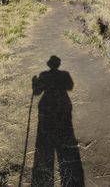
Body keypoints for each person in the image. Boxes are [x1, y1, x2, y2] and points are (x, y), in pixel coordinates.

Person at [31, 56, 85, 187]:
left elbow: (37, 92)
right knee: (64, 127)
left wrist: (34, 82)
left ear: (49, 64)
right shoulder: (65, 74)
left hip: (47, 105)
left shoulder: (43, 75)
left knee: (47, 132)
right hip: (63, 104)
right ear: (58, 64)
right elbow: (70, 87)